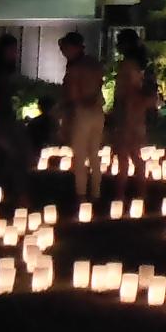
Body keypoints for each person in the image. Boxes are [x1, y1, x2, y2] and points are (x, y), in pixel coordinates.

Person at [0, 33, 35, 207]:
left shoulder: (7, 70)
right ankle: (17, 195)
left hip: (5, 117)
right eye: (12, 50)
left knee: (1, 158)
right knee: (12, 155)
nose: (14, 53)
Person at [56, 31, 107, 204]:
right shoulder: (94, 64)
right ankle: (96, 193)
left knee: (79, 155)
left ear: (73, 47)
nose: (63, 52)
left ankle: (81, 195)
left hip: (81, 111)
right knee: (93, 154)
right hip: (97, 111)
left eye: (65, 48)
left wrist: (65, 116)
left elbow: (71, 94)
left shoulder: (75, 68)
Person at [109, 29, 155, 199]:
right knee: (135, 155)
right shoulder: (140, 65)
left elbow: (127, 91)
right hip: (137, 113)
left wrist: (119, 115)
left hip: (128, 114)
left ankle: (120, 195)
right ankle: (140, 193)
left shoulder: (128, 66)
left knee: (124, 157)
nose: (117, 46)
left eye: (119, 42)